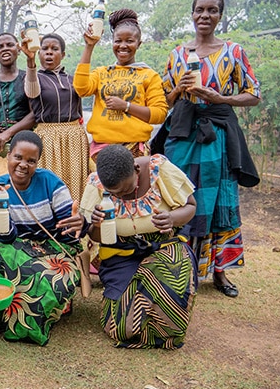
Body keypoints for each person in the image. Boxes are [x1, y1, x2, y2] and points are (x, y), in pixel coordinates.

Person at [161, 0, 261, 298]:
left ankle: (220, 272)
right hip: (181, 130)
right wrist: (178, 89)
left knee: (219, 199)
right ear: (191, 14)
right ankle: (180, 267)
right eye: (200, 10)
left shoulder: (233, 51)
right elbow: (164, 99)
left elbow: (254, 95)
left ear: (220, 15)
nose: (205, 15)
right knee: (178, 194)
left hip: (217, 131)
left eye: (212, 10)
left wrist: (221, 98)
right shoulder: (178, 53)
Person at [77, 145, 197, 348]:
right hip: (120, 253)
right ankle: (147, 300)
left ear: (136, 170)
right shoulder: (95, 183)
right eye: (113, 193)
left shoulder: (158, 169)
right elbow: (97, 237)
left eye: (126, 189)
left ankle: (166, 306)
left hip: (163, 246)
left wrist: (171, 218)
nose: (121, 196)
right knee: (121, 328)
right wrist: (95, 224)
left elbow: (191, 206)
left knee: (172, 302)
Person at [0, 131, 84, 345]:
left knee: (50, 276)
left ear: (38, 163)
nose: (23, 165)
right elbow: (5, 237)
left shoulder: (50, 183)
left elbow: (69, 230)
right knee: (1, 260)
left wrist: (79, 222)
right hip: (16, 246)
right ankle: (28, 316)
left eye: (31, 161)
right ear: (8, 156)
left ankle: (25, 326)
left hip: (53, 248)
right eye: (18, 157)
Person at [73, 9, 168, 160]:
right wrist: (89, 46)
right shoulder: (101, 73)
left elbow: (159, 114)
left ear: (139, 44)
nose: (123, 46)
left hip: (134, 151)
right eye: (118, 41)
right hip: (101, 152)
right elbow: (81, 88)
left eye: (129, 41)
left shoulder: (149, 75)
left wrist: (126, 106)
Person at [20, 33, 89, 203]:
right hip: (48, 137)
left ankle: (76, 223)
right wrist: (30, 61)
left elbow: (79, 110)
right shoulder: (35, 77)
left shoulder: (72, 79)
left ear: (63, 55)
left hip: (74, 137)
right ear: (39, 52)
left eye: (54, 49)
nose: (49, 53)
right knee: (51, 184)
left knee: (75, 183)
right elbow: (31, 91)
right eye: (44, 49)